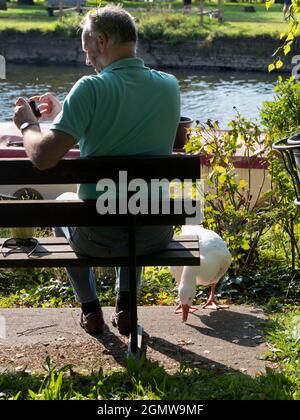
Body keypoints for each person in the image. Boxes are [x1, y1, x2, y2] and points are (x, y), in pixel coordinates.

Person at [13, 5, 180, 336]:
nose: (87, 58)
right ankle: (127, 306)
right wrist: (64, 111)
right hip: (154, 234)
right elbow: (124, 125)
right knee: (134, 204)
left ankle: (90, 309)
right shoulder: (169, 86)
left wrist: (28, 126)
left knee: (68, 202)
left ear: (102, 40)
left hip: (97, 239)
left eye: (88, 47)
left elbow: (44, 158)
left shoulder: (90, 88)